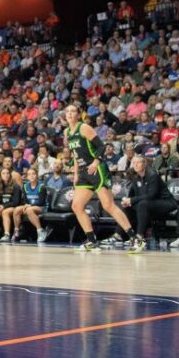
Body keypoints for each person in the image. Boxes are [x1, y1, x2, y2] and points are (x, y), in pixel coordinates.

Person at [65, 104, 139, 252]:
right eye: (67, 111)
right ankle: (92, 241)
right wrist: (76, 173)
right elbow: (75, 154)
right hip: (83, 172)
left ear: (78, 115)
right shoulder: (67, 132)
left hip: (97, 168)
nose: (69, 113)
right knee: (76, 206)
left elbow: (101, 146)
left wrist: (96, 161)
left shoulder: (84, 127)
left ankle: (135, 239)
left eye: (73, 111)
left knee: (108, 205)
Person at [121, 155, 173, 253]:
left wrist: (131, 200)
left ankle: (140, 237)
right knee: (129, 208)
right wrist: (128, 202)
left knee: (142, 204)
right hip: (149, 204)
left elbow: (151, 195)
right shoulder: (136, 178)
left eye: (138, 162)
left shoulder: (153, 176)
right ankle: (119, 236)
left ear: (144, 164)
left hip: (166, 202)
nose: (135, 165)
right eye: (134, 163)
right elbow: (136, 195)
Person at [11, 167, 51, 243]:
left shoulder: (41, 186)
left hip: (42, 207)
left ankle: (40, 231)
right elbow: (26, 200)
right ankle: (16, 231)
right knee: (17, 209)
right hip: (30, 206)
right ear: (27, 177)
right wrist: (27, 204)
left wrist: (29, 205)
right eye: (29, 174)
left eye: (33, 174)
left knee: (29, 210)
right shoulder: (25, 186)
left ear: (37, 175)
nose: (31, 176)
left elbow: (41, 202)